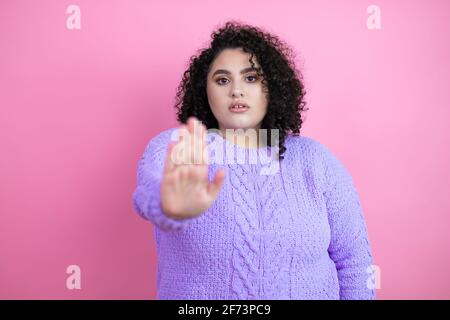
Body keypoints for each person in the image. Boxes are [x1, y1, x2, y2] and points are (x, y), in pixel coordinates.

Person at [132, 21, 375, 300]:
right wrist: (170, 208)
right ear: (204, 90)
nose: (236, 90)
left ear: (272, 87)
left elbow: (354, 264)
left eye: (251, 78)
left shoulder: (317, 161)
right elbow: (147, 196)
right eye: (222, 80)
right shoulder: (178, 146)